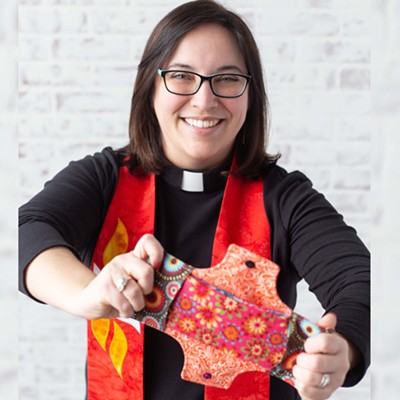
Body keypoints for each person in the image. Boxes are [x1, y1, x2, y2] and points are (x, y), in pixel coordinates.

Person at [18, 1, 370, 399]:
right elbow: (27, 232)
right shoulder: (105, 179)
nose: (204, 100)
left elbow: (360, 279)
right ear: (150, 86)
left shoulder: (283, 198)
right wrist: (89, 294)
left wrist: (343, 350)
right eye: (182, 77)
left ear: (250, 94)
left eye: (227, 79)